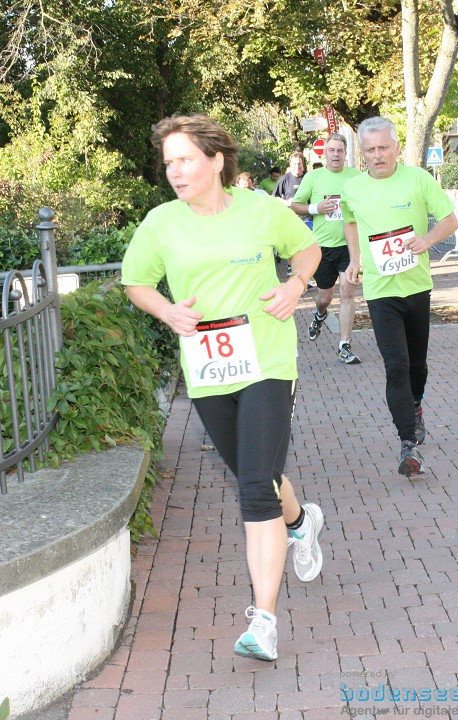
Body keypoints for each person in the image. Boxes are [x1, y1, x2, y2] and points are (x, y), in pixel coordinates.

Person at [121, 114, 325, 662]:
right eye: (169, 163)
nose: (175, 171)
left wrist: (294, 285)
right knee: (253, 473)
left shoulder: (261, 209)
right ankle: (301, 523)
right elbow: (136, 281)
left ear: (216, 160)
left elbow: (309, 252)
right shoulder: (162, 223)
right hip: (209, 370)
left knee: (254, 488)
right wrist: (168, 311)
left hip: (266, 361)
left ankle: (264, 622)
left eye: (185, 159)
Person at [341, 117, 458, 477]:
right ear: (363, 153)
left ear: (396, 147)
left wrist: (426, 241)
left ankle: (416, 406)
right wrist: (355, 259)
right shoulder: (354, 188)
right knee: (396, 367)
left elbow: (450, 220)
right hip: (380, 292)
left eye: (383, 148)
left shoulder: (418, 179)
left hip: (416, 287)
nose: (378, 156)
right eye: (370, 150)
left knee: (418, 366)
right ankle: (408, 443)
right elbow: (349, 220)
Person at [290, 133, 362, 365]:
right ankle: (320, 314)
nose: (336, 155)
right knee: (325, 297)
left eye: (340, 151)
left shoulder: (357, 177)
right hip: (322, 248)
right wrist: (317, 207)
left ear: (345, 154)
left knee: (348, 293)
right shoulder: (314, 177)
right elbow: (295, 206)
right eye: (331, 150)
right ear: (325, 153)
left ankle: (344, 345)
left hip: (348, 247)